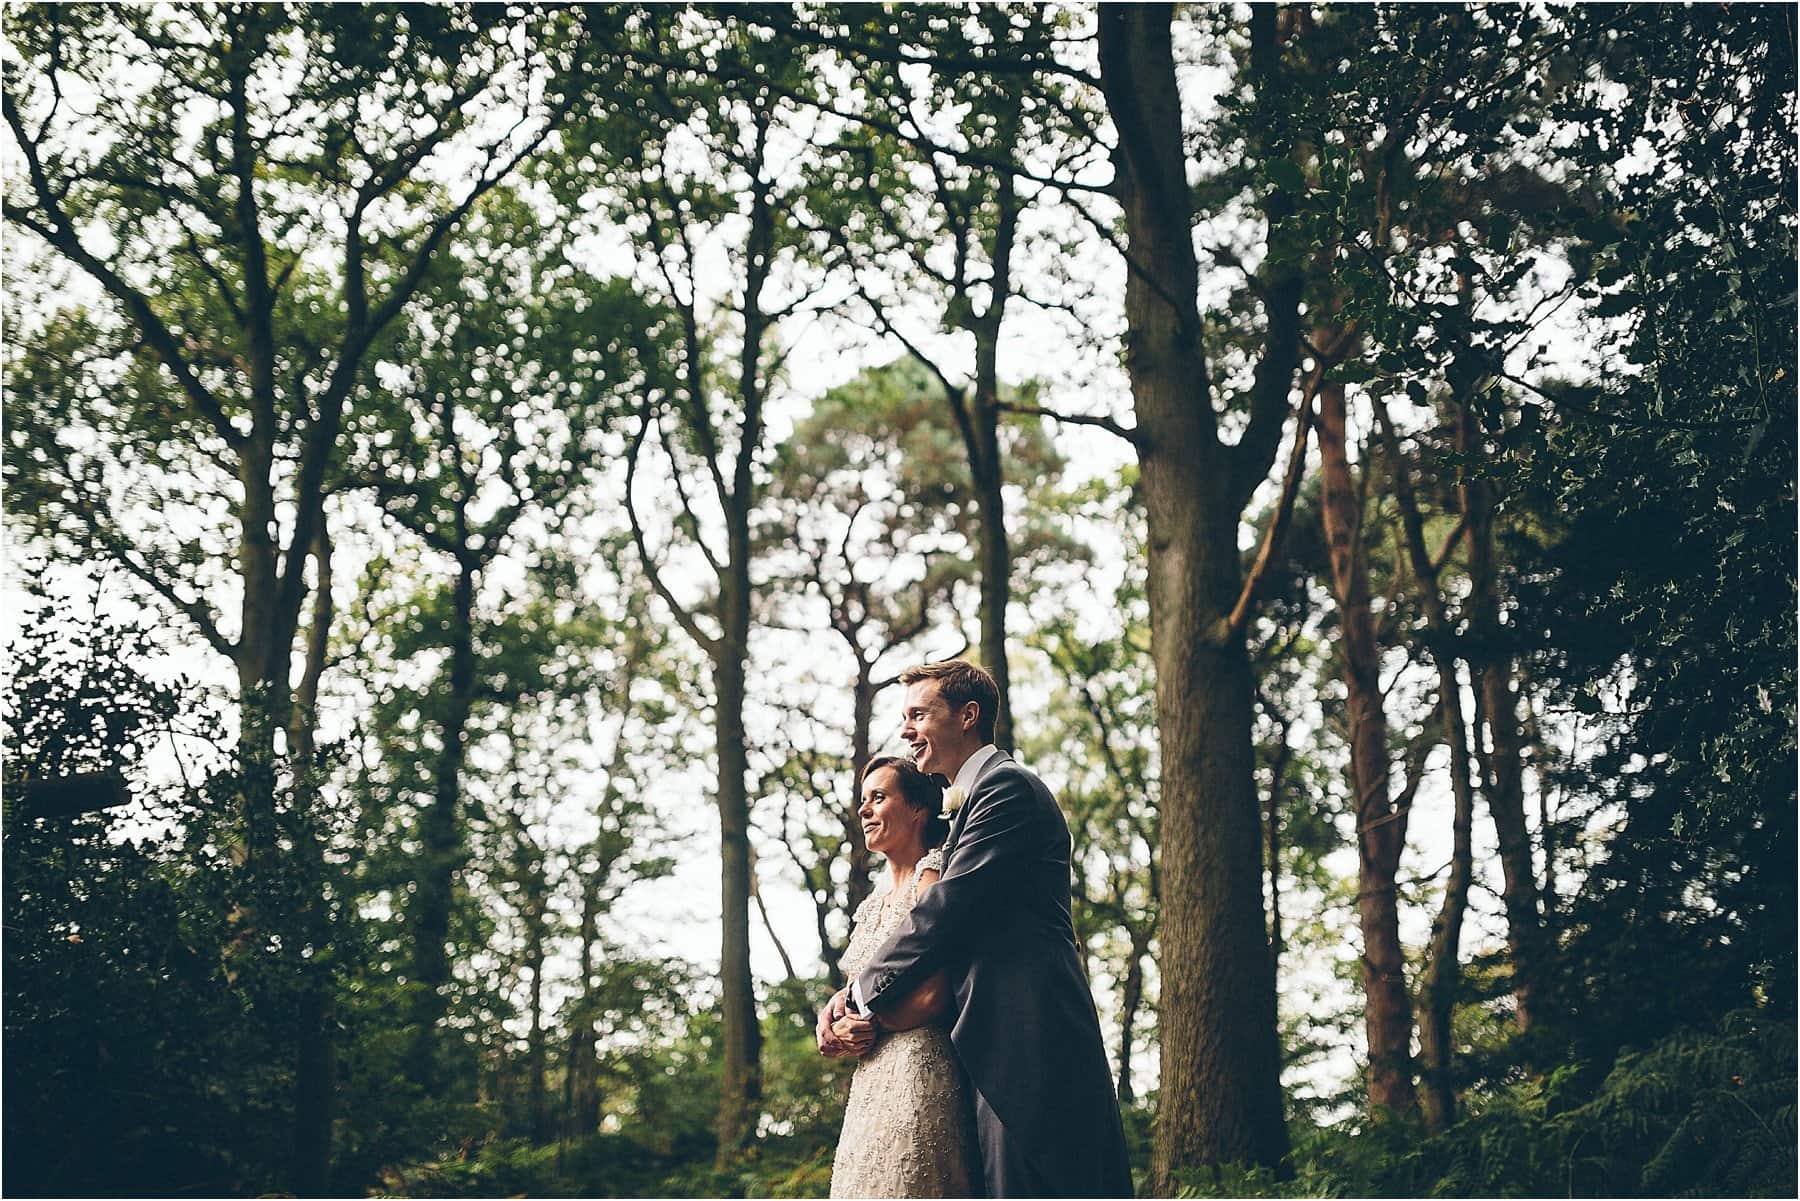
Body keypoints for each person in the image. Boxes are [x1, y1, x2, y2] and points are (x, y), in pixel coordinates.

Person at [817, 660, 1133, 1198]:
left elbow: (944, 911)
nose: (907, 729)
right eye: (905, 717)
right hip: (993, 1040)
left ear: (968, 716)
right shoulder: (975, 800)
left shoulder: (1005, 789)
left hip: (1029, 1034)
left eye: (919, 714)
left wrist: (857, 997)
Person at [825, 755, 980, 1198]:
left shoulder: (932, 880)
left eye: (879, 797)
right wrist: (834, 1022)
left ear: (918, 809)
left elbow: (936, 992)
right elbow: (860, 985)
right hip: (869, 1082)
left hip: (918, 1073)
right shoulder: (872, 902)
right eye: (863, 800)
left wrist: (869, 1026)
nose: (864, 809)